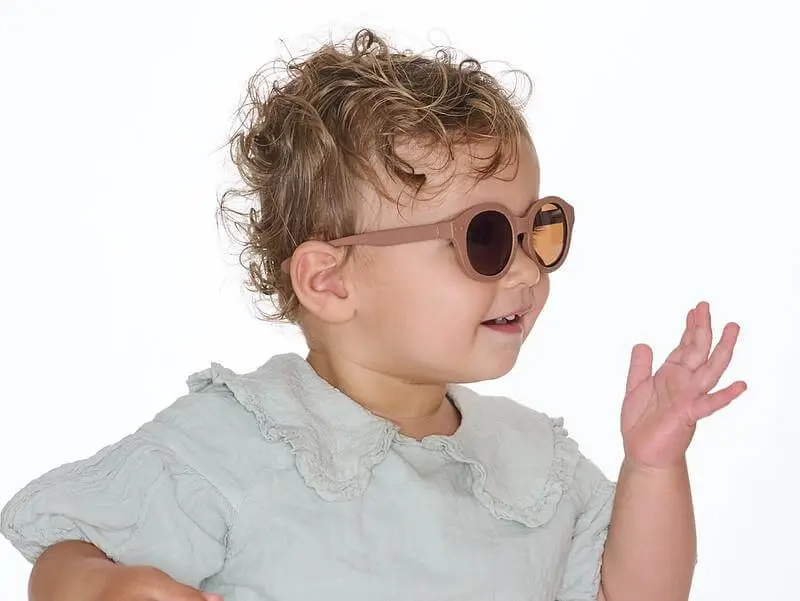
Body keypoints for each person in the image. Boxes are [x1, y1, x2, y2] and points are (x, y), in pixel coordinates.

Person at [0, 28, 746, 601]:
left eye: (537, 229)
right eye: (485, 240)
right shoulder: (236, 444)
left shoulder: (530, 464)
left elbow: (636, 593)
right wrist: (104, 587)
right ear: (330, 281)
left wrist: (653, 466)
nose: (526, 270)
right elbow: (68, 552)